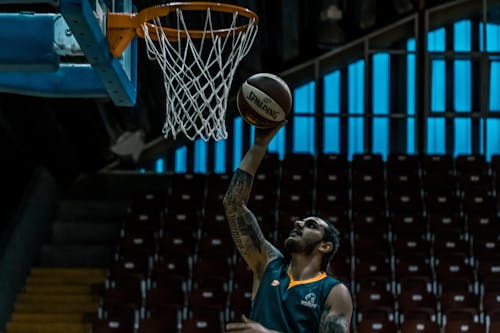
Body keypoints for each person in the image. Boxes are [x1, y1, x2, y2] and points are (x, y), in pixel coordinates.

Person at [223, 122, 353, 333]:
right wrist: (259, 145)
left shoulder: (334, 291)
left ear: (325, 246)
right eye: (301, 221)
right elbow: (233, 205)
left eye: (311, 225)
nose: (298, 223)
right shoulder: (268, 265)